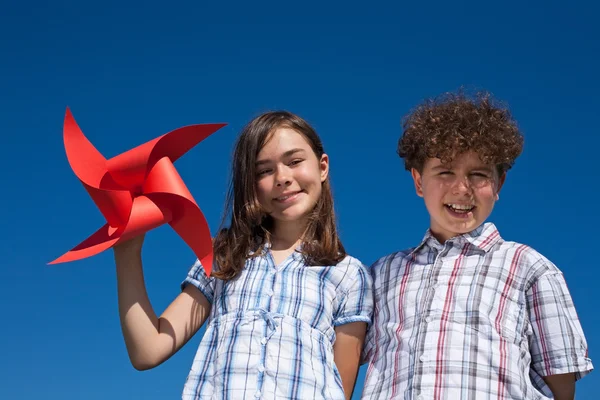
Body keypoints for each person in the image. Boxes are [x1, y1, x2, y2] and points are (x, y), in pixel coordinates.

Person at [113, 110, 373, 399]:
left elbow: (340, 386)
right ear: (250, 184)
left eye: (295, 161)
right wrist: (127, 251)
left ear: (322, 167)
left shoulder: (348, 273)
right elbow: (148, 350)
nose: (282, 178)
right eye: (263, 170)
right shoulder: (223, 256)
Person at [361, 90, 593, 399]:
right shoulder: (381, 274)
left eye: (478, 175)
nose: (461, 189)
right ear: (418, 181)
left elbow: (561, 386)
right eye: (445, 172)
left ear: (499, 184)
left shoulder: (529, 267)